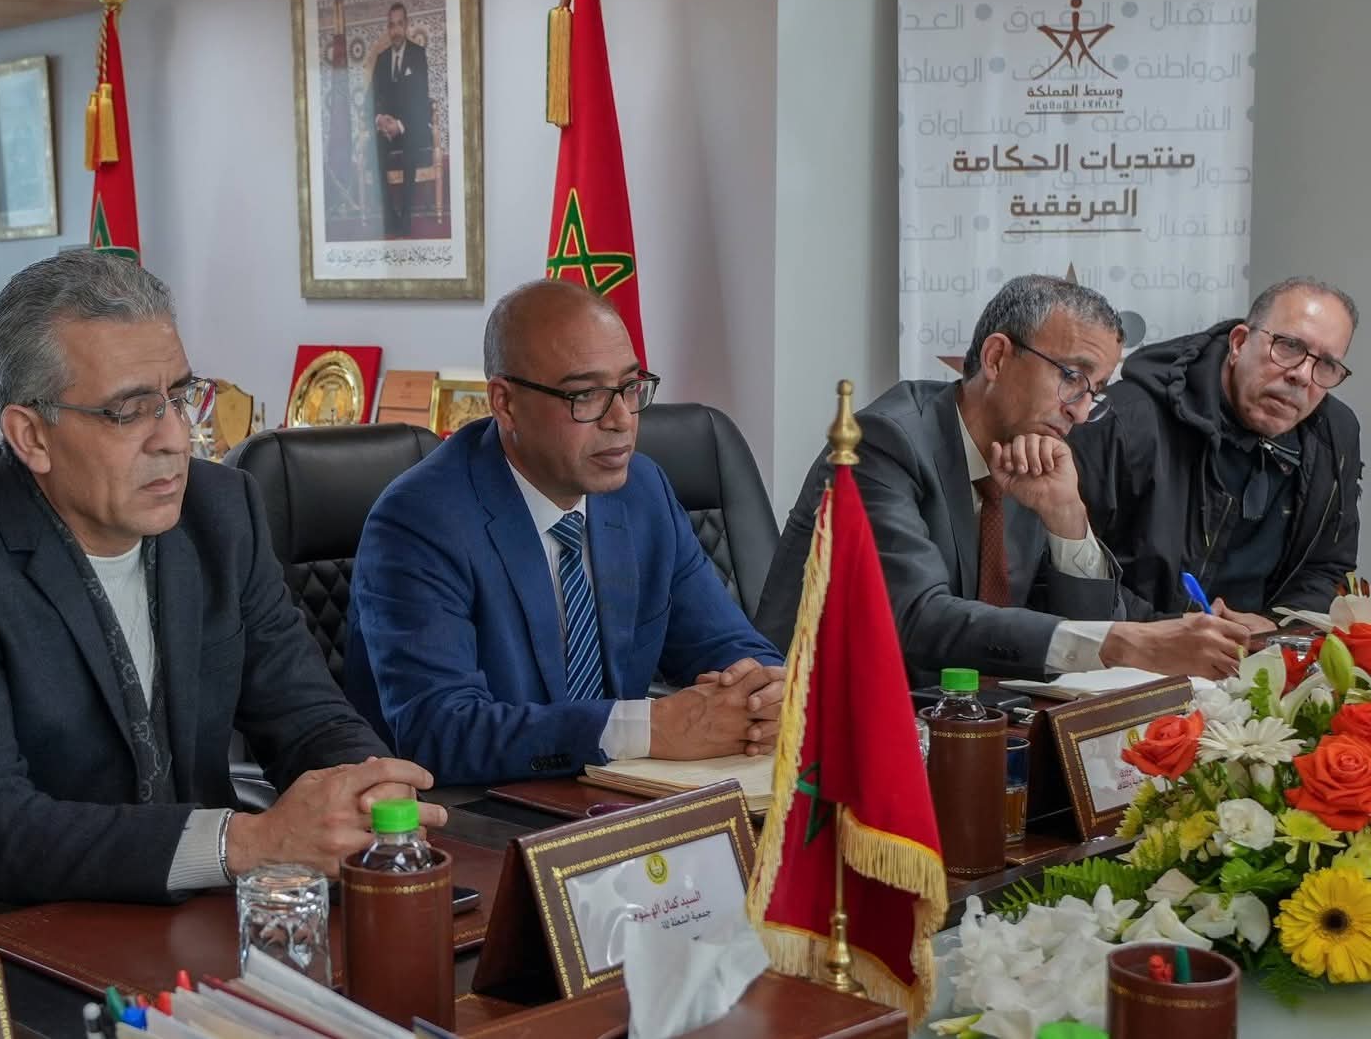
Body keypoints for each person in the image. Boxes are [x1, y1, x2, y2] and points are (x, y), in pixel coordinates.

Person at [0, 251, 437, 906]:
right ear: (31, 436)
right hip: (12, 927)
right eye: (130, 411)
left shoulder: (222, 513)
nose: (174, 438)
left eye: (180, 397)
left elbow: (307, 716)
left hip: (198, 917)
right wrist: (245, 843)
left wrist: (367, 790)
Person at [344, 279, 785, 787]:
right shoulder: (420, 521)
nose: (621, 420)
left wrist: (766, 696)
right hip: (476, 812)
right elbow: (441, 730)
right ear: (505, 404)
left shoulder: (642, 491)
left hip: (615, 800)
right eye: (586, 395)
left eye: (630, 387)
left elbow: (729, 646)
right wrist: (648, 728)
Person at [758, 275, 1250, 682]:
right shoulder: (882, 443)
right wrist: (1120, 644)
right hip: (816, 725)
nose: (1080, 412)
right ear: (996, 358)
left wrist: (1067, 520)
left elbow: (1087, 625)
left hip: (958, 721)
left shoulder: (1029, 453)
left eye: (1095, 391)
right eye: (1072, 377)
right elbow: (917, 619)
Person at [1071, 278, 1361, 622]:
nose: (1302, 375)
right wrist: (1166, 633)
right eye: (1289, 346)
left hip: (1261, 648)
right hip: (1133, 645)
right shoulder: (1125, 421)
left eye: (1326, 364)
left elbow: (1325, 566)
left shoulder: (1333, 435)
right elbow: (1071, 569)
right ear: (1239, 343)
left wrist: (1274, 626)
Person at [368, 1, 433, 238]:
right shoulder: (382, 58)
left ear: (406, 25)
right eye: (391, 25)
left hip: (410, 127)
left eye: (399, 24)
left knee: (410, 146)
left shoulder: (418, 55)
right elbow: (373, 97)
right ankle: (390, 217)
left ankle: (405, 218)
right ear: (388, 28)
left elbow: (421, 100)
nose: (395, 30)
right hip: (388, 130)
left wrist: (400, 125)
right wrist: (380, 119)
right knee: (373, 148)